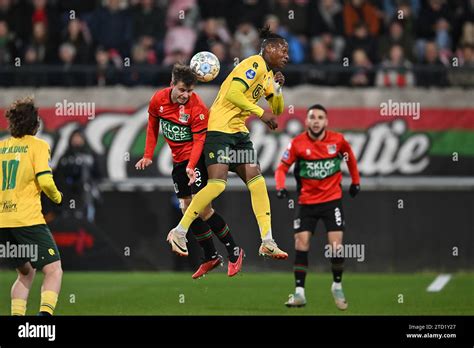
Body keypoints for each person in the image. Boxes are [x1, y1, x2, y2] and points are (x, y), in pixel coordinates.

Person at [167, 26, 289, 260]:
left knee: (257, 181)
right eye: (283, 50)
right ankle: (180, 231)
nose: (286, 55)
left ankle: (267, 241)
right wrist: (260, 113)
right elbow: (234, 93)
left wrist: (277, 89)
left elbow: (277, 109)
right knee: (217, 184)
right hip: (219, 130)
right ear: (269, 48)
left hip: (238, 135)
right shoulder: (254, 64)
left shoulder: (267, 75)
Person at [135, 64, 243, 278]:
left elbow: (199, 140)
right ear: (172, 85)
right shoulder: (158, 100)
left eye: (190, 91)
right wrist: (148, 155)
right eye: (182, 90)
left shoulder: (197, 108)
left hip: (197, 159)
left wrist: (192, 166)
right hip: (178, 162)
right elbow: (152, 125)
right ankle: (211, 256)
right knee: (186, 209)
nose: (186, 95)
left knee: (202, 209)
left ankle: (234, 250)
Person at [275, 104, 361, 310]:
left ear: (326, 121)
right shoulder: (297, 144)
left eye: (320, 117)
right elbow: (282, 167)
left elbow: (350, 158)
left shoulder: (338, 140)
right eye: (312, 117)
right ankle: (299, 294)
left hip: (332, 200)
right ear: (306, 121)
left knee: (336, 246)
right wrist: (280, 186)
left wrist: (356, 181)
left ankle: (337, 285)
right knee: (301, 243)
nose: (316, 121)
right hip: (307, 202)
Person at [0, 96, 63, 315]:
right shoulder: (38, 146)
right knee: (54, 269)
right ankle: (44, 319)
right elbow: (45, 181)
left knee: (25, 274)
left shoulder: (1, 147)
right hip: (27, 219)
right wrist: (58, 197)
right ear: (35, 124)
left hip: (3, 222)